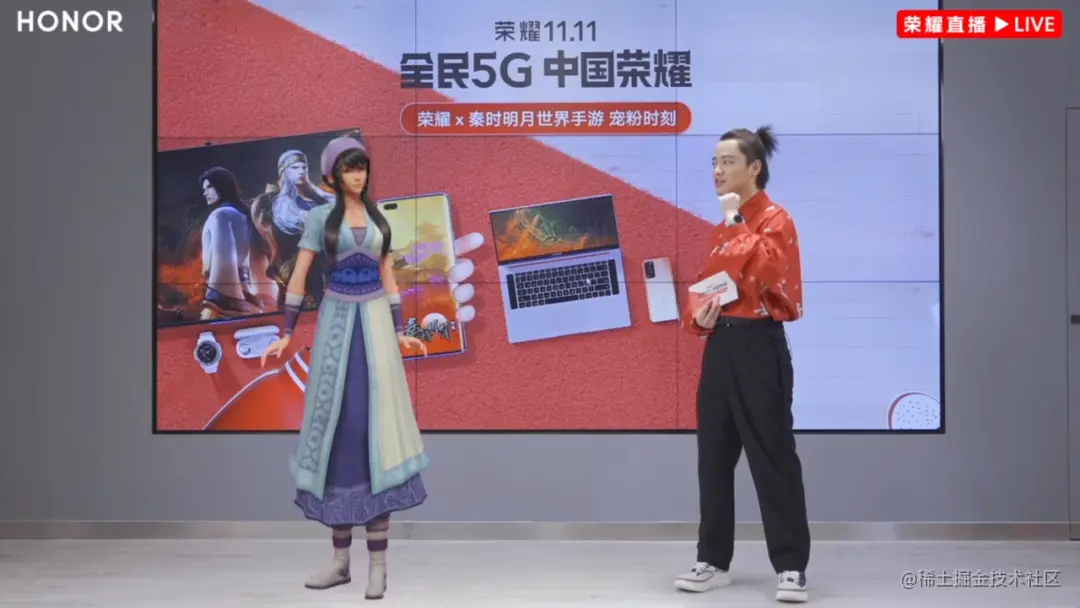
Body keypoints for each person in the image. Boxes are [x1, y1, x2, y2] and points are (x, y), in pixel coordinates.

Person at [261, 136, 427, 600]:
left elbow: (389, 277)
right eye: (349, 168)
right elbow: (299, 275)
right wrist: (287, 331)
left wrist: (400, 330)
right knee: (338, 434)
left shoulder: (378, 220)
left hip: (375, 329)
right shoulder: (319, 218)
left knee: (377, 433)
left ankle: (379, 566)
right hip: (336, 325)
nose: (358, 175)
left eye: (362, 167)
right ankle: (340, 562)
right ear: (331, 175)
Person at [673, 126, 811, 604]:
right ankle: (712, 560)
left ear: (754, 168)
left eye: (727, 162)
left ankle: (791, 566)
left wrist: (735, 220)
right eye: (714, 162)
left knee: (773, 456)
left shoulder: (775, 219)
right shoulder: (723, 228)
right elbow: (705, 288)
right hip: (722, 348)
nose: (717, 170)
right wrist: (698, 318)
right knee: (713, 457)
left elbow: (771, 271)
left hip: (759, 346)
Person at [250, 149, 336, 308]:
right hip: (297, 270)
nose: (301, 171)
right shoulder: (271, 204)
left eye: (304, 167)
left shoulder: (317, 200)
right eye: (295, 168)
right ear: (284, 172)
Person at [197, 167, 272, 318]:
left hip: (227, 298)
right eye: (204, 189)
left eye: (209, 187)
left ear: (222, 186)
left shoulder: (221, 215)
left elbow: (223, 258)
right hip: (247, 295)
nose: (205, 193)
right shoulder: (244, 215)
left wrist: (219, 297)